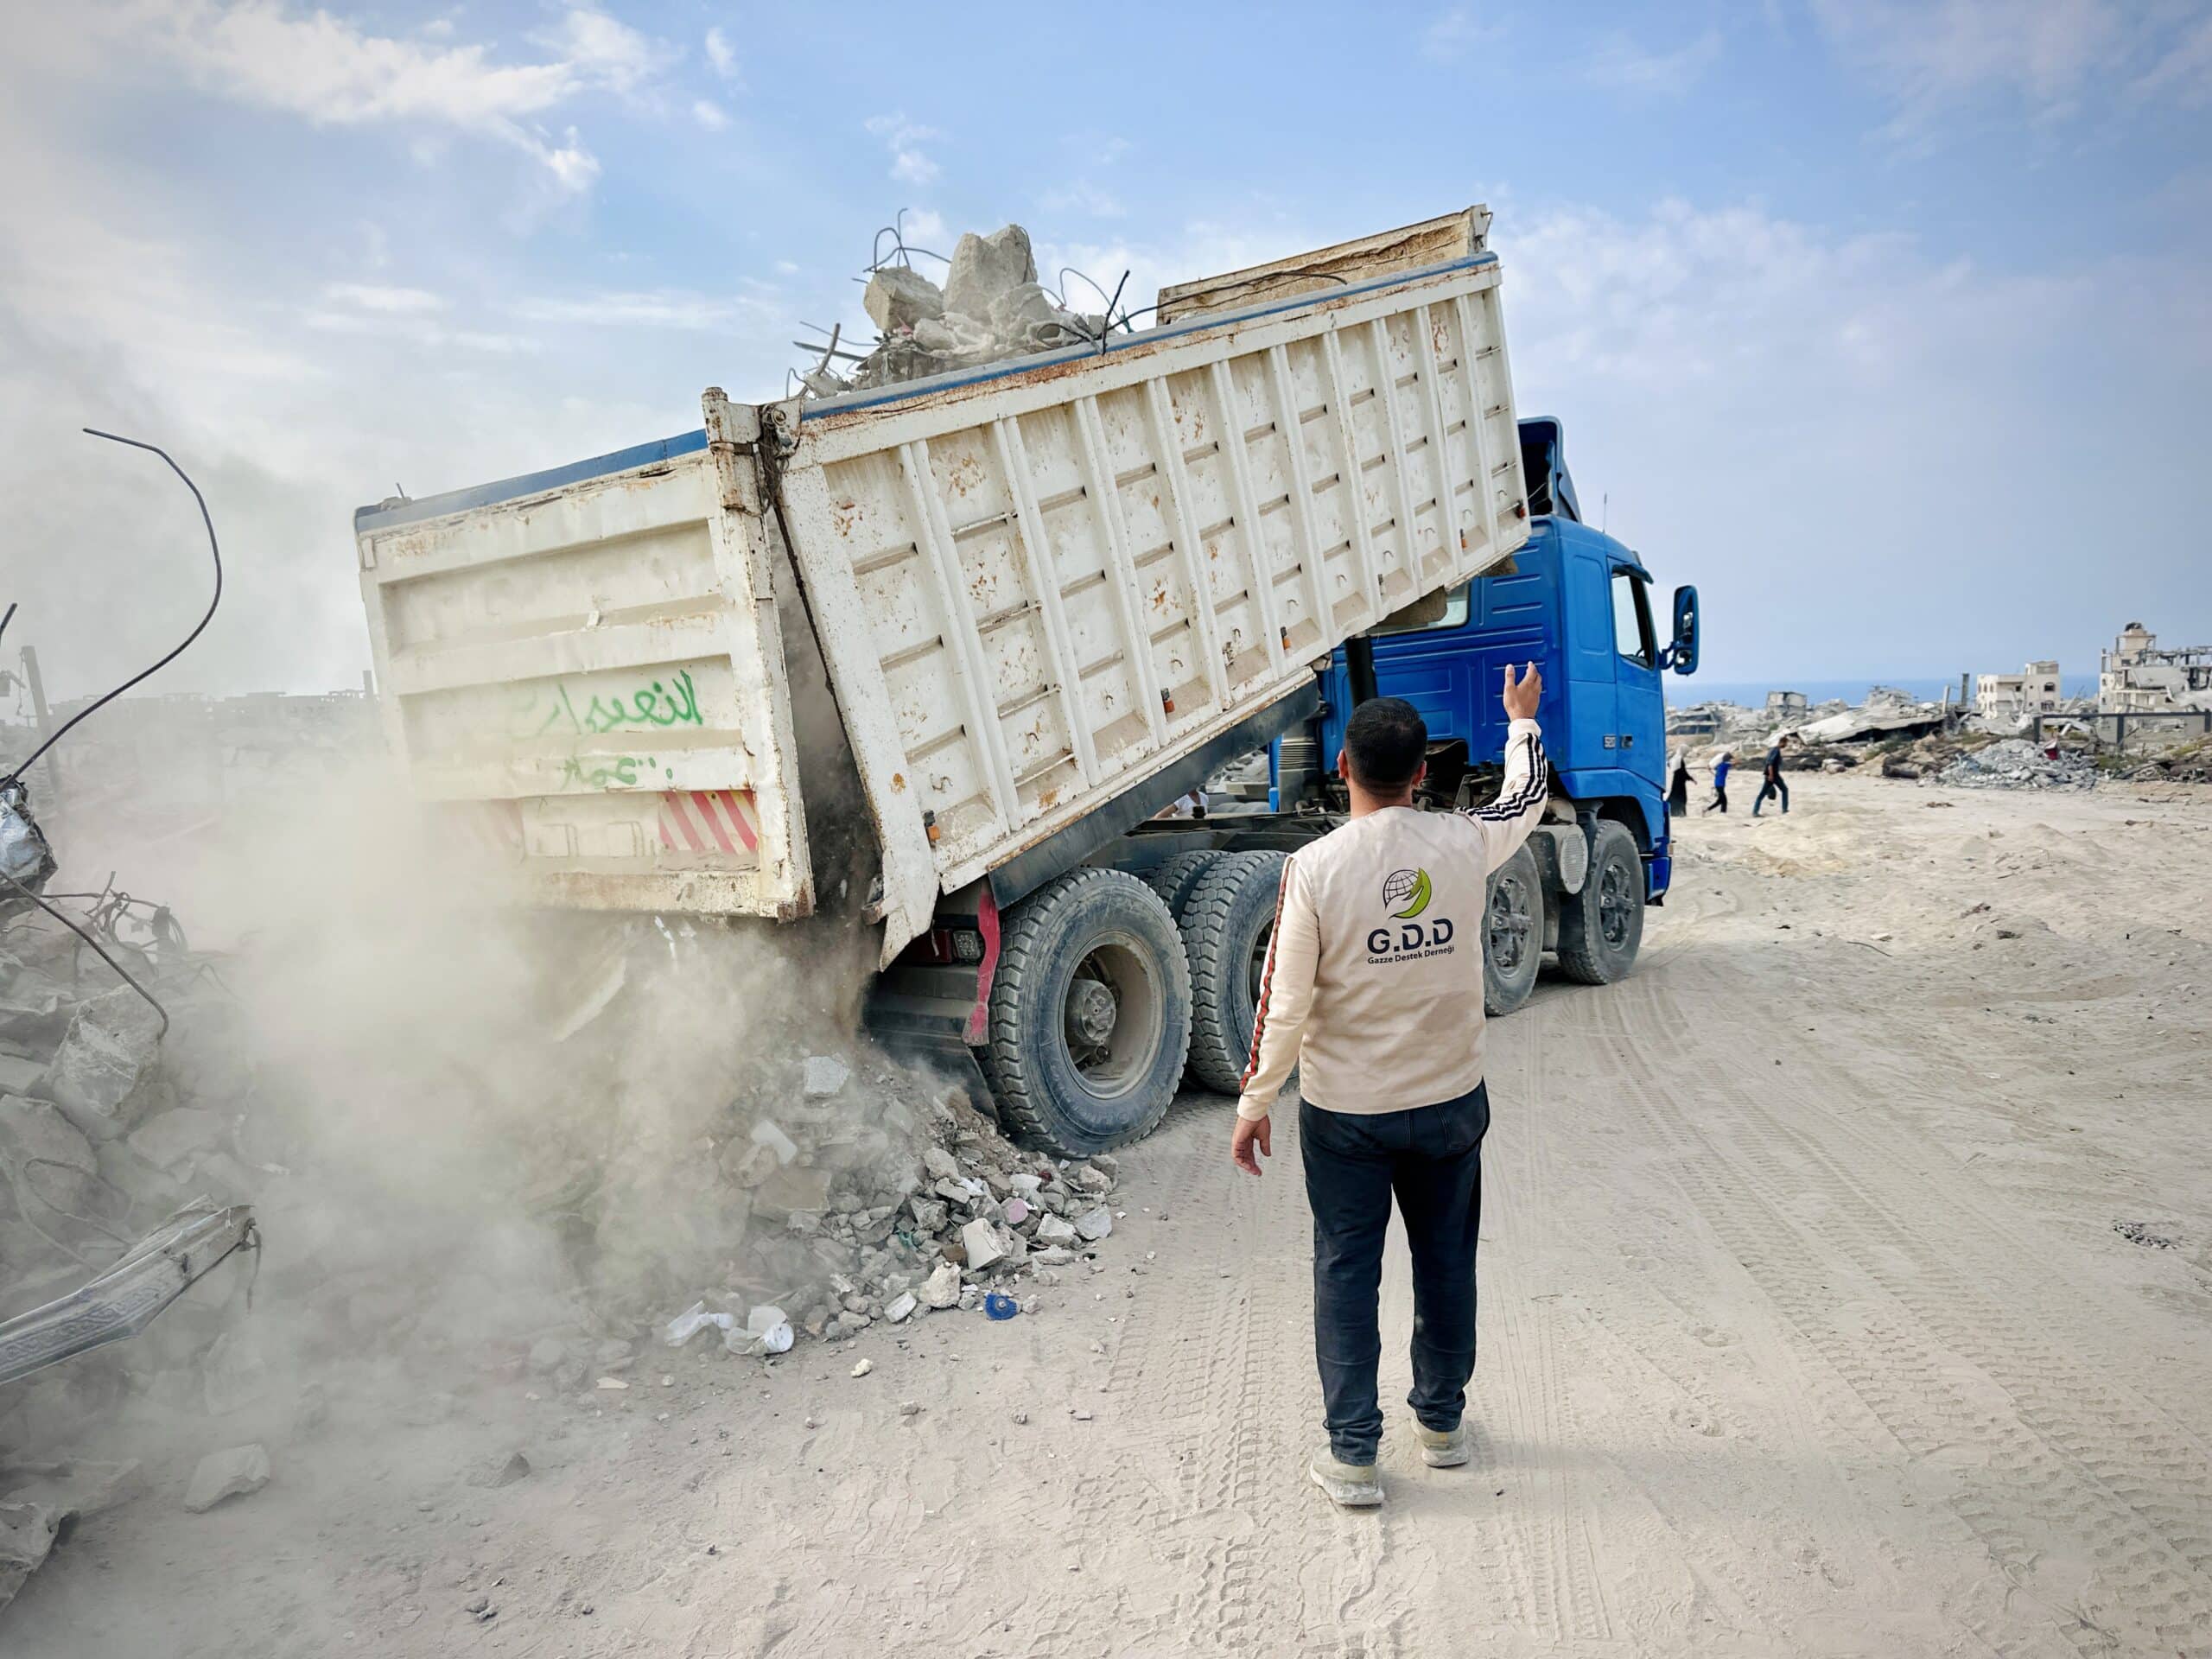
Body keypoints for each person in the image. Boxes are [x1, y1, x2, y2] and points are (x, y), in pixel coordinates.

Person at [1230, 665, 1549, 1509]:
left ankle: (1353, 1458)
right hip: (1449, 1104)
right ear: (1420, 774)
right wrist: (1520, 723)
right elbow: (1524, 802)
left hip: (1347, 1119)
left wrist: (1255, 1102)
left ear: (1342, 768)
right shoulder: (1460, 844)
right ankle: (1441, 1428)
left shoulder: (1314, 868)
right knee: (1445, 1265)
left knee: (1345, 1271)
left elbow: (1285, 1002)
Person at [1753, 734, 1792, 817]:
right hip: (1773, 775)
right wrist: (1771, 775)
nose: (1786, 746)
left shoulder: (1772, 749)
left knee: (1762, 794)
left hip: (1769, 774)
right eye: (1786, 743)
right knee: (1785, 790)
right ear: (1782, 742)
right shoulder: (1776, 750)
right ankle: (1784, 809)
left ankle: (1755, 811)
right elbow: (1770, 764)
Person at [1666, 748, 1694, 817]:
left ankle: (1673, 812)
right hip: (1680, 783)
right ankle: (1682, 814)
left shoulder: (1675, 758)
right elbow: (1683, 772)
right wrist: (1691, 779)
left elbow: (1669, 765)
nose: (1686, 754)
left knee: (1674, 797)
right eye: (1686, 752)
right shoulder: (1680, 760)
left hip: (1676, 781)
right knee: (1682, 798)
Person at [1703, 749, 1732, 813]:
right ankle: (1722, 813)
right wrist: (1734, 758)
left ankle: (1707, 810)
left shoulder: (1719, 766)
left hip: (1718, 784)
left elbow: (1714, 772)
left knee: (1720, 800)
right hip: (1720, 785)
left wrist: (1709, 769)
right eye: (1730, 759)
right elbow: (1737, 762)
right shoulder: (1725, 765)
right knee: (1724, 800)